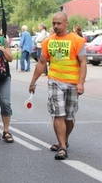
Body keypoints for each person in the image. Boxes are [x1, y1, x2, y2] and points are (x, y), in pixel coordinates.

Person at [29, 12, 87, 160]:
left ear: (66, 23)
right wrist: (33, 81)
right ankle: (62, 147)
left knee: (69, 116)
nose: (55, 26)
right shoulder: (48, 41)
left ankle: (64, 140)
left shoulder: (77, 40)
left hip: (73, 84)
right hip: (55, 81)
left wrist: (80, 82)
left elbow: (83, 63)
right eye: (54, 23)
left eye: (59, 23)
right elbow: (42, 63)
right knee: (58, 114)